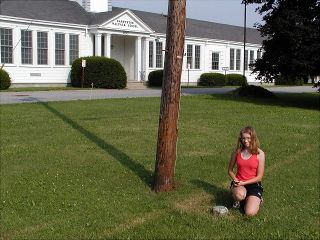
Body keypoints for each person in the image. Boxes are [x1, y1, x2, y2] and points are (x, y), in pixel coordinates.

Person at [227, 126, 265, 216]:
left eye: (248, 138)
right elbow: (230, 170)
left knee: (249, 213)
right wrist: (236, 180)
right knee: (240, 195)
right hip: (239, 183)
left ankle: (255, 199)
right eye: (243, 138)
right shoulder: (237, 151)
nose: (246, 140)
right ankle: (239, 199)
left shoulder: (260, 154)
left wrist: (244, 183)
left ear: (253, 138)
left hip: (253, 184)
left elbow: (259, 177)